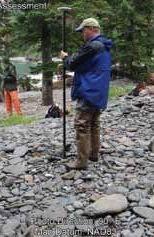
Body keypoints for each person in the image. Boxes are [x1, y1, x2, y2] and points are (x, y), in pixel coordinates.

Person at [60, 18, 113, 169]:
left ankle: (81, 161)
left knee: (82, 124)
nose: (82, 34)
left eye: (83, 31)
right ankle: (93, 154)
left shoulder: (93, 46)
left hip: (89, 89)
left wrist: (65, 58)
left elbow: (73, 64)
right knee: (94, 122)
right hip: (99, 90)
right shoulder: (104, 46)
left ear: (91, 29)